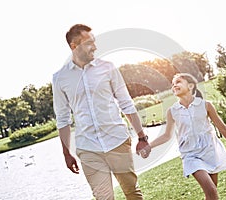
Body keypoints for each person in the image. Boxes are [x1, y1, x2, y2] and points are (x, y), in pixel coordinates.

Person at [52, 24, 151, 200]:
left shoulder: (108, 68)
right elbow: (62, 119)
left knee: (132, 193)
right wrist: (66, 153)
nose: (95, 47)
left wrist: (141, 137)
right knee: (103, 197)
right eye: (90, 42)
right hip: (88, 148)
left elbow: (126, 103)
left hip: (117, 140)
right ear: (74, 46)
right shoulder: (60, 78)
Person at [141, 73, 226, 200]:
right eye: (173, 84)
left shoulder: (205, 105)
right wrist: (149, 146)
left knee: (211, 193)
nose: (174, 86)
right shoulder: (172, 111)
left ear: (191, 86)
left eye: (178, 82)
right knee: (211, 190)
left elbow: (223, 128)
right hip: (190, 155)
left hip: (210, 151)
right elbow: (166, 135)